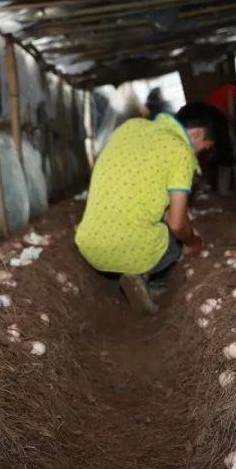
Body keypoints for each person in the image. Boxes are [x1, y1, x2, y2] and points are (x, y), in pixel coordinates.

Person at [74, 103, 219, 314]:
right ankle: (152, 284)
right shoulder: (180, 150)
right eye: (204, 146)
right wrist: (192, 241)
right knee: (173, 243)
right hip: (128, 247)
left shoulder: (130, 127)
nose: (200, 153)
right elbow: (177, 223)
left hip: (90, 244)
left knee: (139, 227)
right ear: (197, 134)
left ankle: (118, 283)